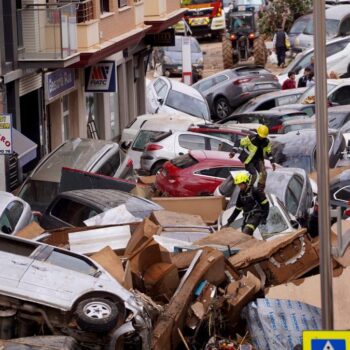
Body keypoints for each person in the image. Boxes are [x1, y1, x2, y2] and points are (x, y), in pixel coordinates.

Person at [229, 125, 276, 190]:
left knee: (264, 174)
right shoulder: (251, 138)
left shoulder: (266, 142)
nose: (262, 138)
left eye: (263, 137)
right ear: (258, 133)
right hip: (249, 160)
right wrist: (233, 151)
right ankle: (248, 188)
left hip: (259, 160)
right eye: (261, 136)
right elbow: (238, 141)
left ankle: (260, 189)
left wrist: (272, 162)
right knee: (254, 175)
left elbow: (268, 152)